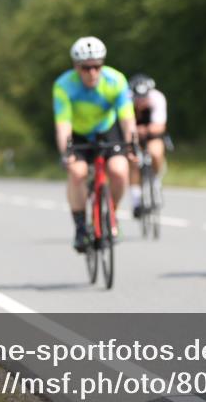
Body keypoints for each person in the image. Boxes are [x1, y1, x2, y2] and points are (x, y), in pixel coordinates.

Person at [53, 36, 137, 252]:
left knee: (119, 171)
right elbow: (63, 125)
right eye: (86, 68)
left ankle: (112, 214)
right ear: (76, 67)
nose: (92, 73)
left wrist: (132, 143)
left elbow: (127, 118)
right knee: (77, 172)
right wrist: (66, 151)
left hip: (107, 131)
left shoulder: (116, 81)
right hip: (79, 135)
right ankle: (81, 227)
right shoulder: (64, 86)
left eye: (97, 67)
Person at [128, 74, 167, 217]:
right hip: (132, 133)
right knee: (133, 160)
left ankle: (156, 181)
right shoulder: (125, 99)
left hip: (152, 132)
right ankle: (136, 200)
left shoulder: (157, 98)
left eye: (144, 97)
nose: (140, 101)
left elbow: (160, 126)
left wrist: (144, 130)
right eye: (137, 98)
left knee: (155, 152)